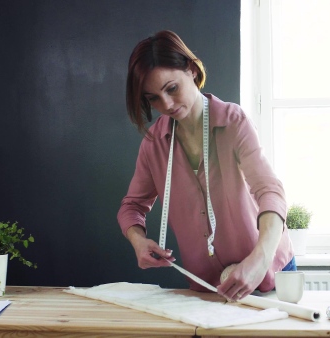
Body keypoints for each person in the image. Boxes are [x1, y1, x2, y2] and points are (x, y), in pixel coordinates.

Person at [117, 30, 295, 301]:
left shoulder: (233, 122)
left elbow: (269, 190)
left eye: (171, 89)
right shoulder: (154, 144)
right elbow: (131, 206)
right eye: (153, 98)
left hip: (268, 272)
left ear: (191, 70)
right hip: (210, 286)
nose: (166, 104)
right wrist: (138, 241)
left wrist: (259, 260)